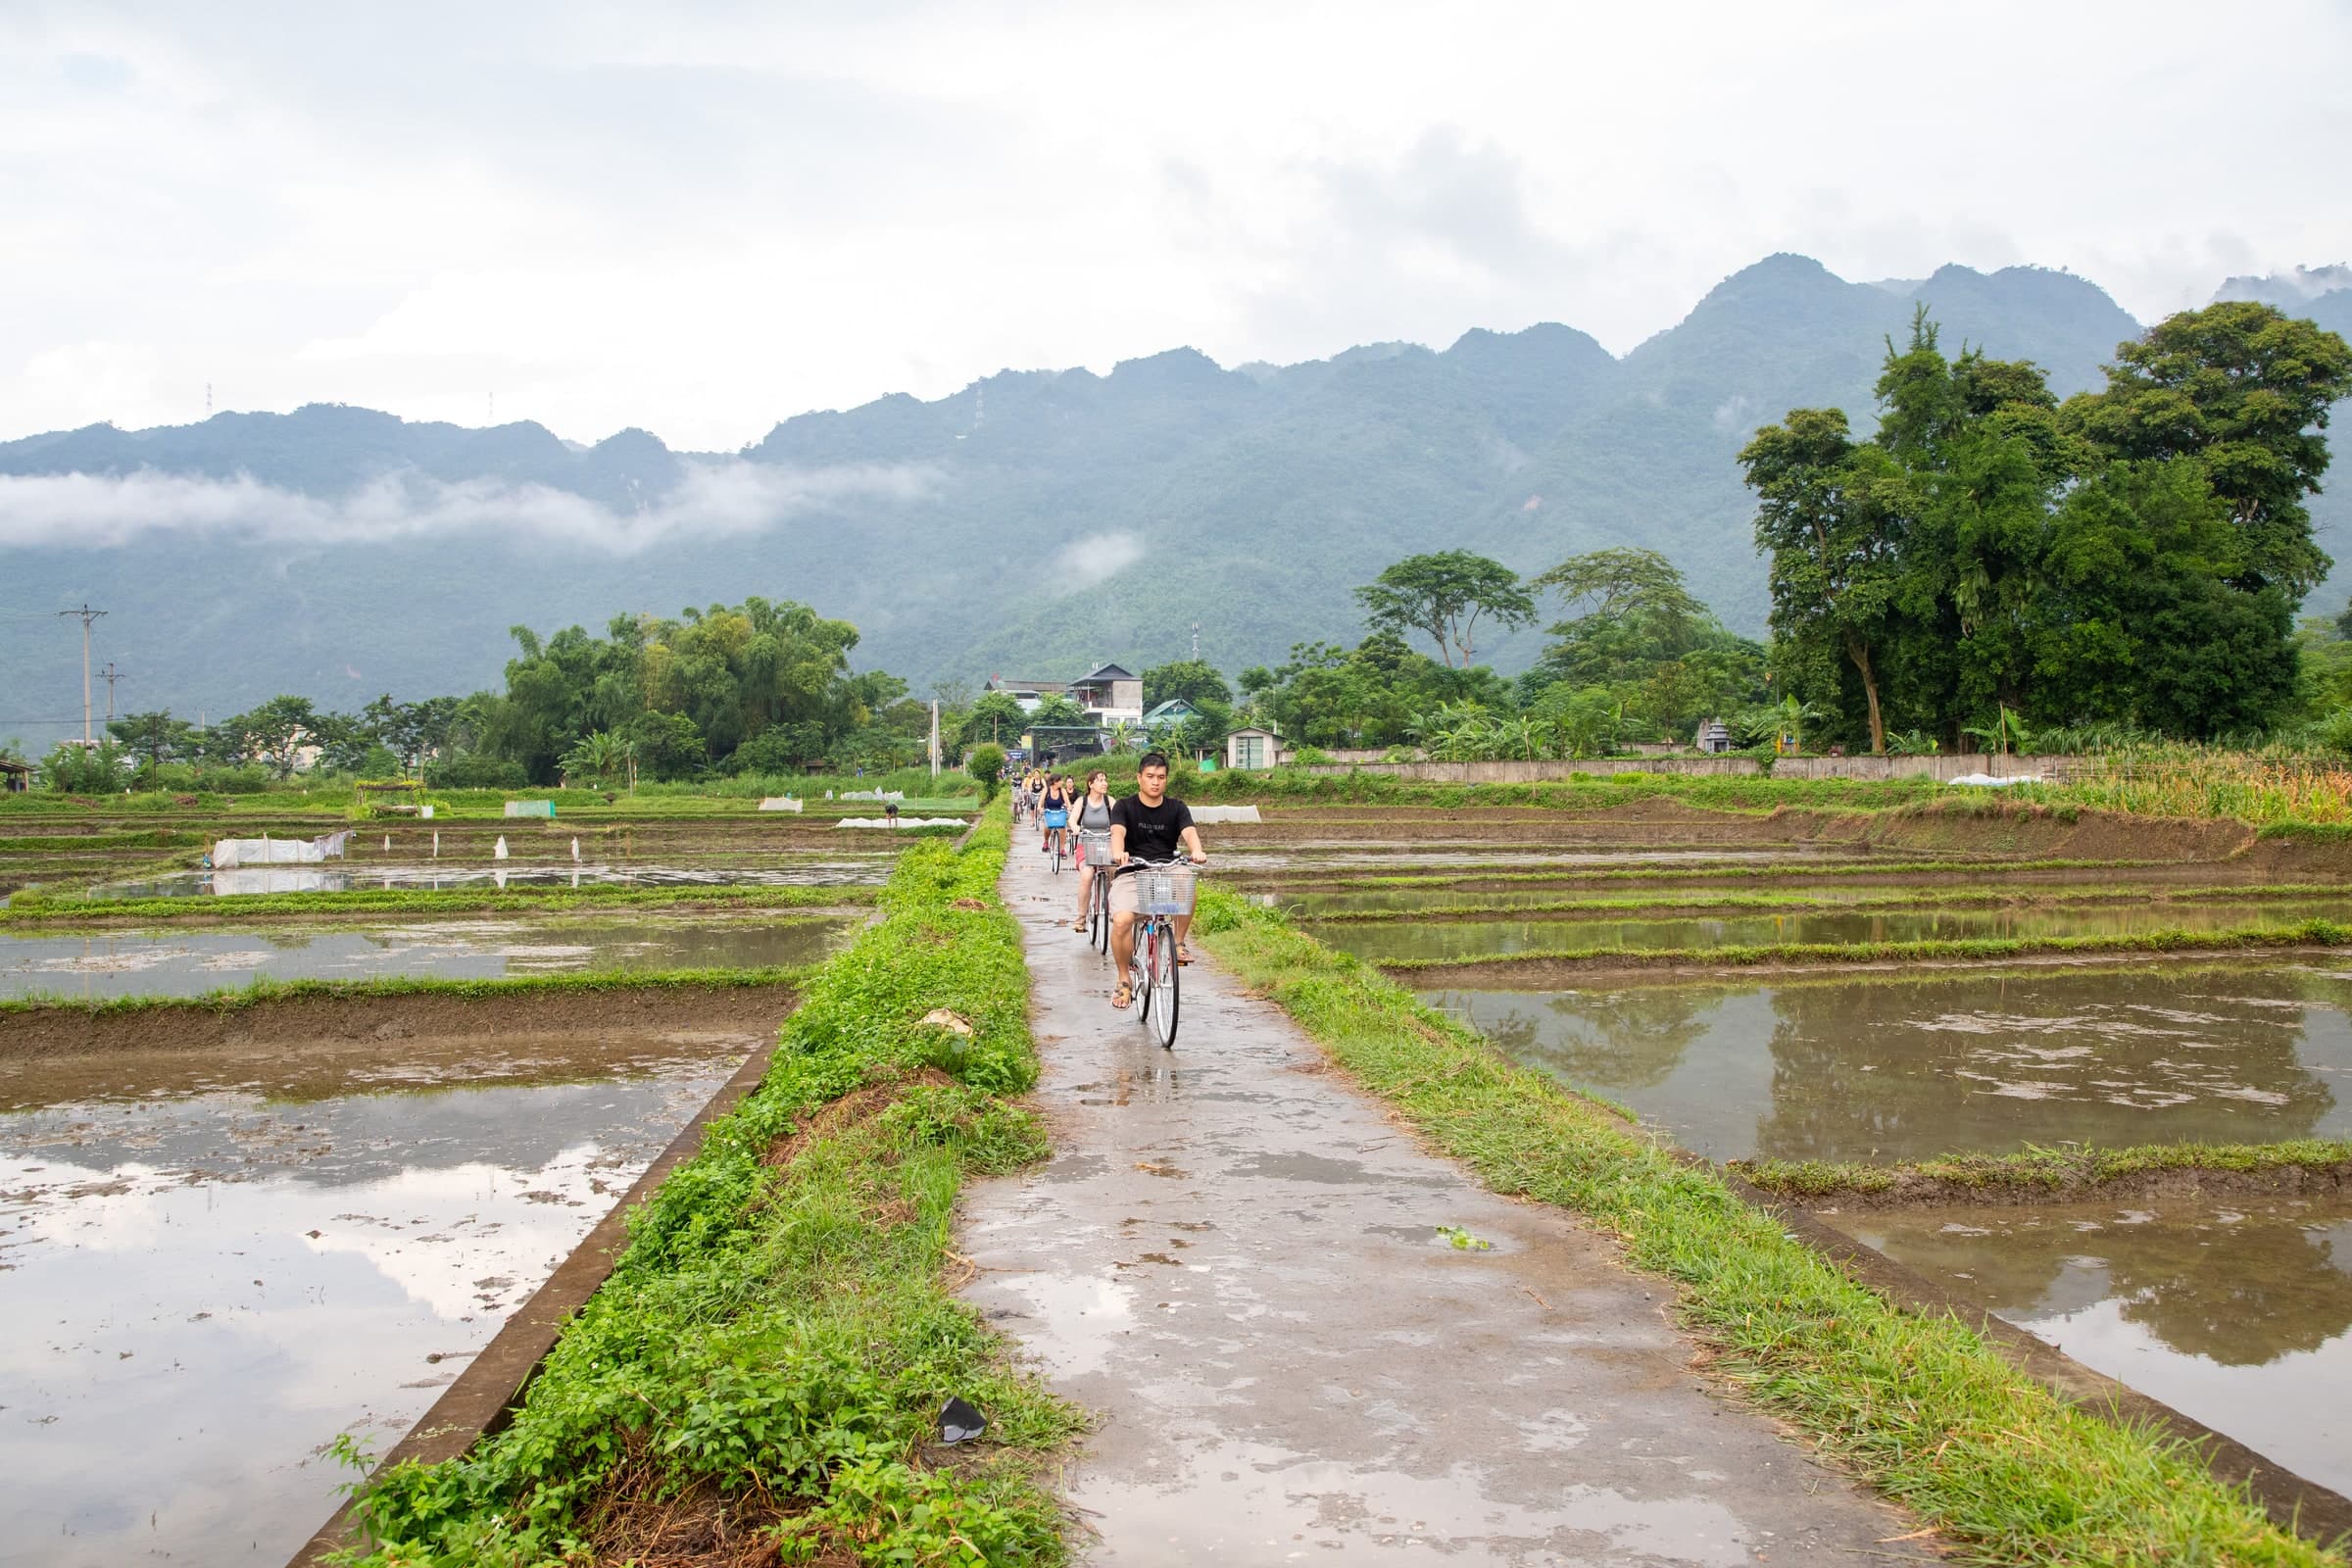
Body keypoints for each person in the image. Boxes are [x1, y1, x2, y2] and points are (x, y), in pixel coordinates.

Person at [1108, 751, 1207, 1009]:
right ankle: (1123, 979)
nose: (1155, 782)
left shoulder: (1177, 808)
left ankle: (1178, 941)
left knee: (1186, 878)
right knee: (1122, 921)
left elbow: (1189, 832)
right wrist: (1118, 853)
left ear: (1166, 780)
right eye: (1150, 776)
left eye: (1161, 777)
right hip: (1133, 870)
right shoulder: (1124, 806)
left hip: (1167, 867)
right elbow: (1117, 832)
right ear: (1139, 777)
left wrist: (1196, 850)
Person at [1070, 768, 1114, 931]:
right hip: (1086, 844)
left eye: (1105, 780)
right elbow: (1073, 819)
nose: (1104, 783)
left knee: (1114, 871)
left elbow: (1119, 820)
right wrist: (1075, 828)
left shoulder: (1110, 801)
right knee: (1087, 875)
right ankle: (1081, 917)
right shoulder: (1082, 802)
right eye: (1100, 780)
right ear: (1090, 784)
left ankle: (1113, 907)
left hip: (1106, 845)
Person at [1040, 772, 1070, 855]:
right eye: (1060, 781)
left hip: (1060, 811)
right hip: (1049, 811)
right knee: (1047, 827)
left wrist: (1070, 809)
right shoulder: (1047, 790)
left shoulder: (1062, 791)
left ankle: (1062, 849)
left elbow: (1067, 802)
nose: (1062, 782)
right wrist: (1040, 808)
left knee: (1063, 828)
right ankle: (1046, 841)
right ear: (1055, 782)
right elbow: (1041, 801)